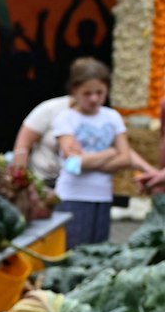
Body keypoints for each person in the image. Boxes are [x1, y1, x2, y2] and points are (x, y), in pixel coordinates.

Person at [50, 58, 156, 247]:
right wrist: (109, 152)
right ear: (74, 91)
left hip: (103, 197)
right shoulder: (66, 119)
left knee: (98, 252)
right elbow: (74, 165)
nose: (94, 98)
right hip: (72, 197)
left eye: (99, 93)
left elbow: (125, 158)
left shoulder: (112, 117)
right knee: (71, 254)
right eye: (87, 93)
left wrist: (88, 160)